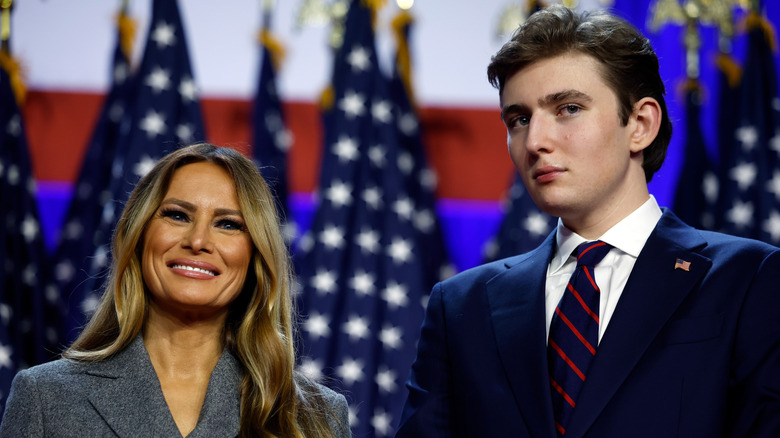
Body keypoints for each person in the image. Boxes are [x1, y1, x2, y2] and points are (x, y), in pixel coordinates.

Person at [396, 5, 780, 438]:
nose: (536, 141)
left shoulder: (751, 280)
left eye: (568, 108)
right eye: (519, 119)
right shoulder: (460, 307)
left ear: (641, 124)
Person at [0, 143, 351, 437]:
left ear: (255, 255)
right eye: (177, 215)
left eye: (228, 224)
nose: (198, 241)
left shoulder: (316, 416)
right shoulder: (45, 397)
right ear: (138, 236)